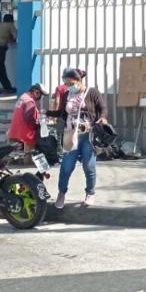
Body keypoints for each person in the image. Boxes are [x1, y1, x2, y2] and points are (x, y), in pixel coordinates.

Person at [48, 67, 107, 209]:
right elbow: (63, 113)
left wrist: (103, 118)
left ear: (79, 81)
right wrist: (47, 113)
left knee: (89, 165)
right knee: (66, 166)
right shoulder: (67, 94)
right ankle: (61, 193)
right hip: (70, 135)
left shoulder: (92, 92)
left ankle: (90, 193)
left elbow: (103, 108)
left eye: (71, 83)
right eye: (66, 84)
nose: (69, 86)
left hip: (88, 135)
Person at [7, 82, 46, 150]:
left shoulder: (23, 97)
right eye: (40, 95)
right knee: (28, 156)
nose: (40, 97)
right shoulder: (29, 102)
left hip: (15, 132)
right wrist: (38, 124)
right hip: (26, 134)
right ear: (36, 92)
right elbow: (29, 118)